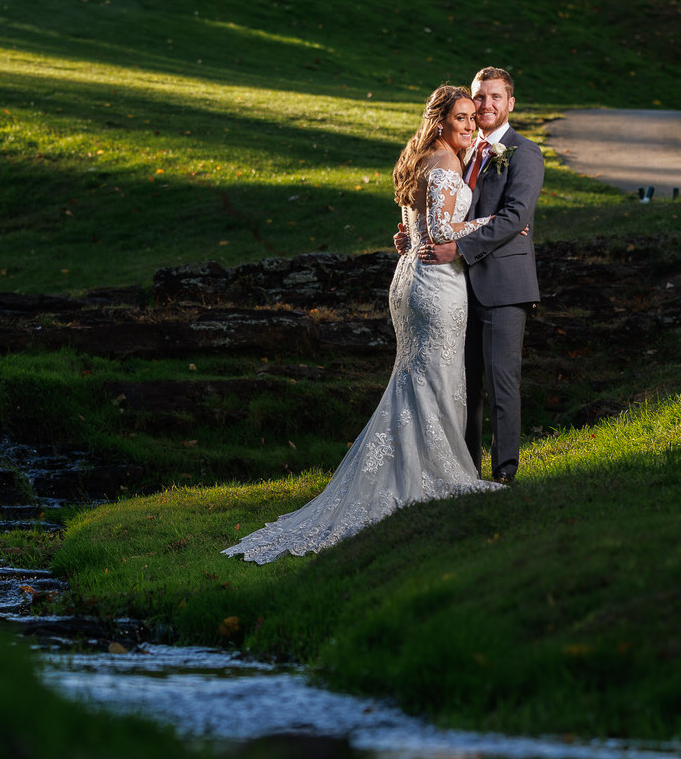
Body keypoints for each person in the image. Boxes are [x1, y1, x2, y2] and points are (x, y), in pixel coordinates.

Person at [224, 86, 502, 565]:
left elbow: (412, 227)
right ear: (440, 122)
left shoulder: (418, 157)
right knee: (432, 379)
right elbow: (441, 234)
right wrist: (492, 223)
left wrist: (413, 234)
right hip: (435, 284)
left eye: (471, 120)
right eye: (461, 118)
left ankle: (418, 467)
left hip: (410, 281)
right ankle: (430, 476)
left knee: (416, 379)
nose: (469, 126)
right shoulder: (445, 162)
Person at [405, 67, 542, 484]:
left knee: (501, 382)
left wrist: (459, 245)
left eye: (495, 97)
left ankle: (504, 473)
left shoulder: (524, 152)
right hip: (456, 286)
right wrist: (414, 233)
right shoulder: (461, 149)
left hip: (503, 285)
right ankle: (466, 472)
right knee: (464, 387)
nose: (485, 105)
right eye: (479, 97)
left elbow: (516, 216)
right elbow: (444, 206)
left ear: (510, 103)